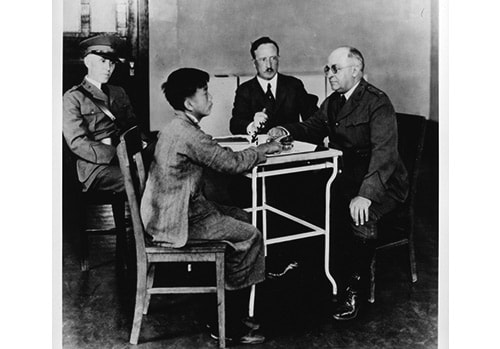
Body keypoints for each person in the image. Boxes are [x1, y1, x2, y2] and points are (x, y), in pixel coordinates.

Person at [140, 68, 282, 344]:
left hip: (171, 211)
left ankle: (228, 302)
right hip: (177, 220)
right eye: (205, 92)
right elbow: (229, 163)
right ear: (189, 103)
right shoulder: (187, 134)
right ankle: (227, 323)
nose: (211, 97)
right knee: (250, 235)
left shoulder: (179, 127)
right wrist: (264, 150)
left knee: (242, 216)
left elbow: (218, 155)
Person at [267, 46, 409, 321]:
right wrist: (285, 129)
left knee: (360, 214)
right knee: (302, 192)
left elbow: (384, 155)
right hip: (348, 177)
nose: (329, 74)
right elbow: (311, 127)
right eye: (327, 68)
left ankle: (353, 289)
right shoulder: (333, 102)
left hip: (382, 182)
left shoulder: (377, 102)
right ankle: (304, 263)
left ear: (355, 71)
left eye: (335, 69)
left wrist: (366, 195)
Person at [63, 34, 139, 193]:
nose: (108, 68)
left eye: (112, 63)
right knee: (141, 178)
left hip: (127, 158)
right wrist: (116, 155)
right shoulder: (73, 97)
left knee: (163, 172)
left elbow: (133, 127)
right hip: (95, 167)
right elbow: (77, 142)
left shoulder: (119, 92)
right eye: (103, 61)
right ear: (88, 62)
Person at [229, 36, 319, 136]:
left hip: (290, 147)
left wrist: (287, 130)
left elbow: (314, 121)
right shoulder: (245, 90)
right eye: (263, 59)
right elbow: (235, 125)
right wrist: (252, 126)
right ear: (254, 63)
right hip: (259, 149)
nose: (269, 65)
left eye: (273, 59)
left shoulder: (293, 85)